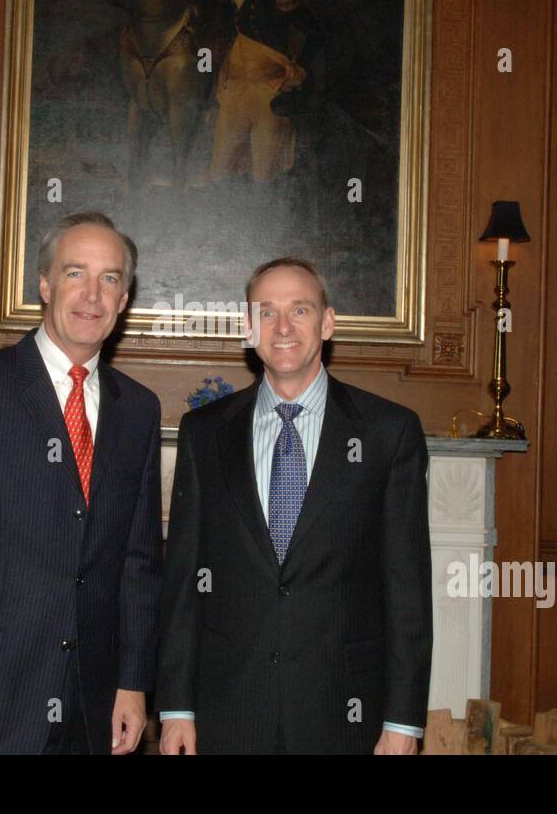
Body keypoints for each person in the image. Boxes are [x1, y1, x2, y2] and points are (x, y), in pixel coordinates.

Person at [0, 212, 162, 754]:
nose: (92, 294)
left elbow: (138, 562)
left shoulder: (138, 409)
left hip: (93, 711)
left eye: (110, 278)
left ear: (124, 297)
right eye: (74, 273)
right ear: (43, 284)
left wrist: (133, 682)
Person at [156, 257, 431, 754]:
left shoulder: (388, 432)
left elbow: (407, 589)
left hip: (348, 715)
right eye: (266, 312)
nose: (282, 327)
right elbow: (183, 580)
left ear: (327, 323)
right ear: (248, 327)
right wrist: (176, 708)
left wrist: (403, 723)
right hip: (228, 713)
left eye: (300, 310)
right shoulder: (205, 433)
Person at [191, 0, 323, 182]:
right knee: (220, 171)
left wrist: (299, 71)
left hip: (268, 91)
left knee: (265, 173)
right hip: (233, 92)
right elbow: (202, 22)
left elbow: (315, 34)